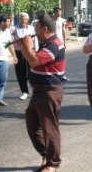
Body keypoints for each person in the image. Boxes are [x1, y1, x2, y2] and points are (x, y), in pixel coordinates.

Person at [19, 14, 65, 172]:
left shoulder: (54, 45)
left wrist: (27, 46)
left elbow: (33, 61)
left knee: (49, 128)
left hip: (49, 92)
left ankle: (53, 163)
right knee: (32, 124)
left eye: (37, 28)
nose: (34, 30)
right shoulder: (46, 44)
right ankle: (47, 154)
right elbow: (33, 61)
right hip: (39, 91)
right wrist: (25, 47)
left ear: (45, 29)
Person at [11, 12, 38, 100]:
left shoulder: (31, 28)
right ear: (20, 19)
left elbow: (34, 40)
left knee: (32, 72)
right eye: (22, 19)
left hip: (30, 52)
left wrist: (36, 50)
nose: (24, 20)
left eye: (25, 19)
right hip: (19, 53)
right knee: (21, 73)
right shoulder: (14, 28)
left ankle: (35, 90)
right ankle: (24, 91)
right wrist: (16, 41)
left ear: (28, 20)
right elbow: (8, 41)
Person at [53, 7, 69, 82]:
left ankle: (62, 75)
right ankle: (53, 74)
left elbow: (64, 31)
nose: (59, 15)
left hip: (60, 42)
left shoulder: (62, 21)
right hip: (52, 42)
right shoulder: (51, 20)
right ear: (55, 13)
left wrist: (65, 42)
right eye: (58, 13)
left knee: (61, 59)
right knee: (53, 59)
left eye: (60, 13)